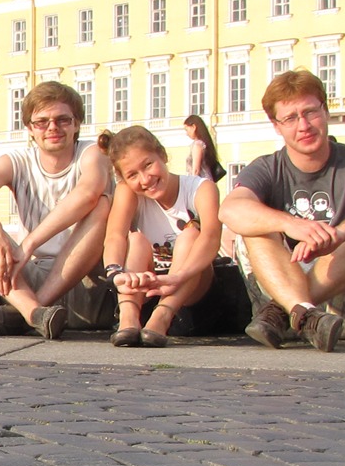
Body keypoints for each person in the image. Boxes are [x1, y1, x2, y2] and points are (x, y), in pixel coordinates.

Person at [219, 69, 345, 352]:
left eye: (310, 112)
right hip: (280, 284)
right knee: (255, 226)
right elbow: (231, 209)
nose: (303, 125)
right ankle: (304, 313)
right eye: (291, 118)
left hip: (336, 313)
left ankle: (290, 311)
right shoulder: (267, 168)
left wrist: (339, 234)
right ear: (276, 125)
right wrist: (290, 224)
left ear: (326, 111)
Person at [0, 80, 113, 341]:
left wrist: (29, 242)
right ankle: (35, 313)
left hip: (84, 284)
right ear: (30, 128)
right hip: (31, 276)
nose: (52, 128)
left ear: (76, 124)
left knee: (101, 203)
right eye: (42, 122)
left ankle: (25, 315)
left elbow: (88, 193)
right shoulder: (17, 161)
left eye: (63, 120)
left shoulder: (92, 153)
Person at [100, 125, 246, 347]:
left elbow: (210, 237)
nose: (145, 179)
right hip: (149, 291)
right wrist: (115, 271)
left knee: (190, 236)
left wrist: (179, 277)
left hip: (192, 294)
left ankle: (162, 316)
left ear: (163, 155)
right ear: (124, 179)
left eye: (148, 165)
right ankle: (128, 316)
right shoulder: (128, 192)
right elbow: (115, 235)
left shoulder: (200, 188)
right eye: (132, 175)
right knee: (136, 240)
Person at [183, 114, 226, 181]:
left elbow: (196, 170)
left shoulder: (197, 145)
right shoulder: (204, 143)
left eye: (186, 129)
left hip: (201, 183)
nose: (186, 133)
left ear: (193, 127)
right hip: (207, 182)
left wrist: (191, 186)